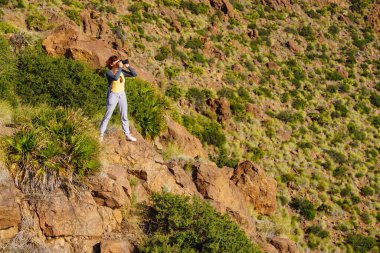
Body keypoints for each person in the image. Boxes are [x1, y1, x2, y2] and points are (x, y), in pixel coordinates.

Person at [99, 55, 137, 142]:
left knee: (124, 116)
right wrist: (120, 68)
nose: (119, 62)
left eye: (119, 61)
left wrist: (128, 67)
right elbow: (115, 78)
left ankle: (127, 135)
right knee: (107, 116)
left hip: (122, 94)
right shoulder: (109, 73)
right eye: (117, 61)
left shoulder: (122, 71)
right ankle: (101, 135)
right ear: (112, 64)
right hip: (113, 95)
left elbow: (134, 74)